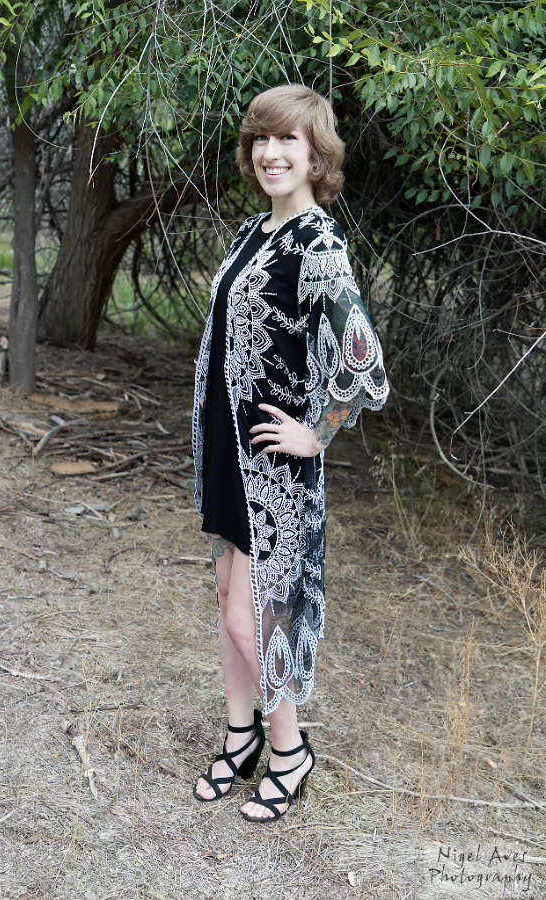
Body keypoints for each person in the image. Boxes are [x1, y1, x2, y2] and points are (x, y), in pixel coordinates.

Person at [191, 84, 389, 821]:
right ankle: (240, 736)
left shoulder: (317, 244)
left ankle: (288, 751)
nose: (270, 154)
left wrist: (319, 431)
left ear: (316, 155)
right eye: (260, 140)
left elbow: (362, 360)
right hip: (230, 450)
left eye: (287, 141)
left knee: (256, 619)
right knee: (228, 603)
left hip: (273, 468)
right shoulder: (256, 231)